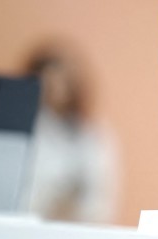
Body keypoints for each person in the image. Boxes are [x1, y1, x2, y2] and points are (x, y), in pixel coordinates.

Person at [25, 46, 117, 223]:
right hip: (32, 227)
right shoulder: (28, 131)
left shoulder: (93, 135)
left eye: (60, 83)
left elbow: (102, 200)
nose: (54, 91)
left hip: (80, 229)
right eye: (47, 84)